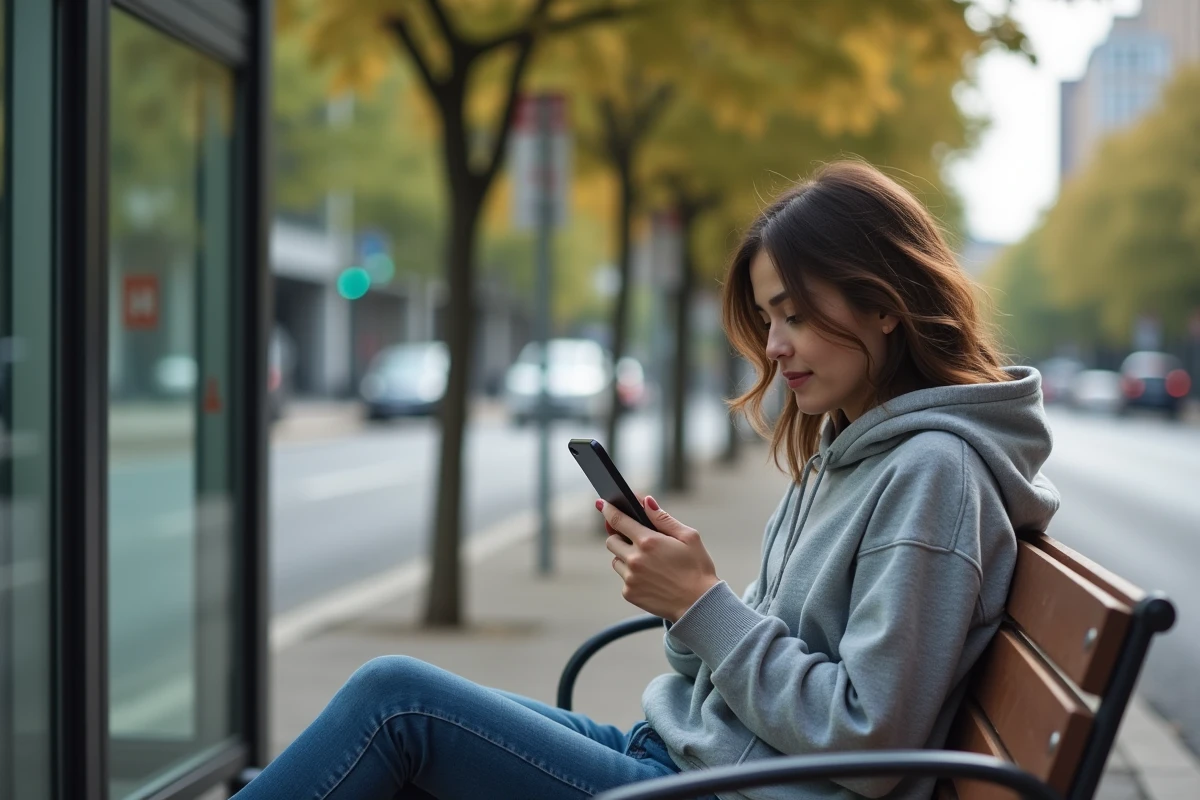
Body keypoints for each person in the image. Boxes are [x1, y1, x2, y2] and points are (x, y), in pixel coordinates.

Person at [232, 160, 1059, 800]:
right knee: (399, 722)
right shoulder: (854, 450)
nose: (773, 346)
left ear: (885, 304)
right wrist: (687, 603)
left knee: (397, 705)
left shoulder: (932, 474)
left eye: (796, 315)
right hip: (686, 761)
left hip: (721, 789)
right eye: (770, 317)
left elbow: (875, 740)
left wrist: (705, 606)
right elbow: (768, 668)